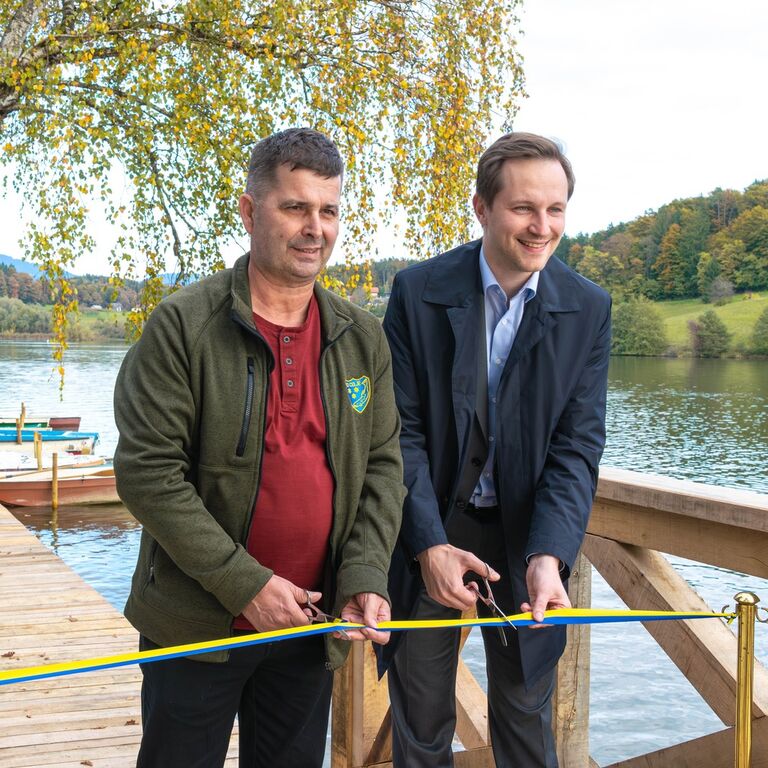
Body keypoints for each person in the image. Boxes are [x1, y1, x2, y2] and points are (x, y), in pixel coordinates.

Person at [113, 127, 405, 768]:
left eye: (328, 211)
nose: (315, 229)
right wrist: (246, 586)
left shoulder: (363, 338)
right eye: (295, 207)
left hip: (310, 624)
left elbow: (383, 468)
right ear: (249, 211)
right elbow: (147, 473)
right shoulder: (182, 327)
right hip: (195, 628)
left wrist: (362, 575)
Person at [379, 132, 611, 767]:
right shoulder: (417, 292)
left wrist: (550, 556)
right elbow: (400, 435)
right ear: (482, 208)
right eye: (524, 208)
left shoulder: (589, 308)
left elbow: (576, 448)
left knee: (527, 718)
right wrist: (427, 545)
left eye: (556, 209)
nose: (542, 227)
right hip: (429, 529)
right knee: (420, 722)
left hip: (526, 538)